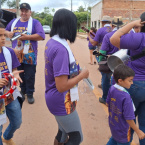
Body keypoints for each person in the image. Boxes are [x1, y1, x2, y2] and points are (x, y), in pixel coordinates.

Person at [45, 9, 89, 145]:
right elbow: (62, 86)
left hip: (54, 98)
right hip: (61, 101)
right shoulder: (61, 50)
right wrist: (82, 76)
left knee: (63, 133)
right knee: (76, 138)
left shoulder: (53, 42)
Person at [110, 13, 145, 145]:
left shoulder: (139, 38)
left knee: (126, 120)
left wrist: (132, 24)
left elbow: (114, 39)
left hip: (134, 84)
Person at [5, 3, 45, 104]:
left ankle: (30, 93)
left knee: (30, 75)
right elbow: (4, 31)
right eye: (22, 11)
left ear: (30, 12)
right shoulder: (14, 22)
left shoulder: (35, 23)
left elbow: (41, 36)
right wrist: (7, 33)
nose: (23, 13)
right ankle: (23, 91)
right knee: (20, 74)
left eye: (26, 11)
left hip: (30, 55)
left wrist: (28, 37)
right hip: (16, 55)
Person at [106, 64, 145, 145]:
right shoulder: (126, 97)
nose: (132, 83)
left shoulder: (112, 88)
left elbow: (107, 103)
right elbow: (129, 118)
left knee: (113, 140)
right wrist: (138, 131)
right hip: (124, 131)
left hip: (114, 125)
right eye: (130, 80)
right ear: (120, 80)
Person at [0, 22, 24, 145]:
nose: (3, 38)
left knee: (17, 121)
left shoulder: (9, 52)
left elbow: (14, 70)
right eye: (0, 35)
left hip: (10, 94)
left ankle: (7, 136)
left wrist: (15, 74)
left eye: (4, 35)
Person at [98, 16, 124, 104]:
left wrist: (100, 61)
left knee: (105, 79)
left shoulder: (108, 36)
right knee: (120, 80)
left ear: (112, 25)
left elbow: (102, 51)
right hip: (122, 61)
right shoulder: (126, 35)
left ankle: (105, 98)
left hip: (109, 61)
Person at [88, 15, 112, 89]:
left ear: (102, 22)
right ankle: (105, 83)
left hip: (102, 53)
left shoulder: (100, 30)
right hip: (113, 53)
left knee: (103, 70)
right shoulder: (114, 29)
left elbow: (94, 43)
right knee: (111, 69)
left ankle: (105, 86)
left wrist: (89, 36)